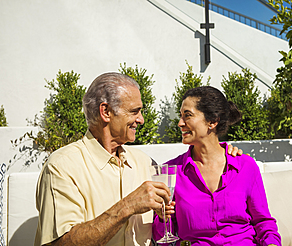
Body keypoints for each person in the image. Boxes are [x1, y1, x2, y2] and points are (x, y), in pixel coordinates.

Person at [34, 72, 242, 246]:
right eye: (135, 111)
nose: (141, 120)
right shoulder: (62, 166)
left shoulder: (145, 164)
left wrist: (223, 153)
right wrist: (127, 207)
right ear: (106, 112)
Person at [153, 86, 281, 246]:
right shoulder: (171, 172)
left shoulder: (245, 166)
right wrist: (162, 218)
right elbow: (163, 238)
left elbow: (263, 223)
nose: (180, 123)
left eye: (188, 116)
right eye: (181, 116)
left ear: (212, 121)